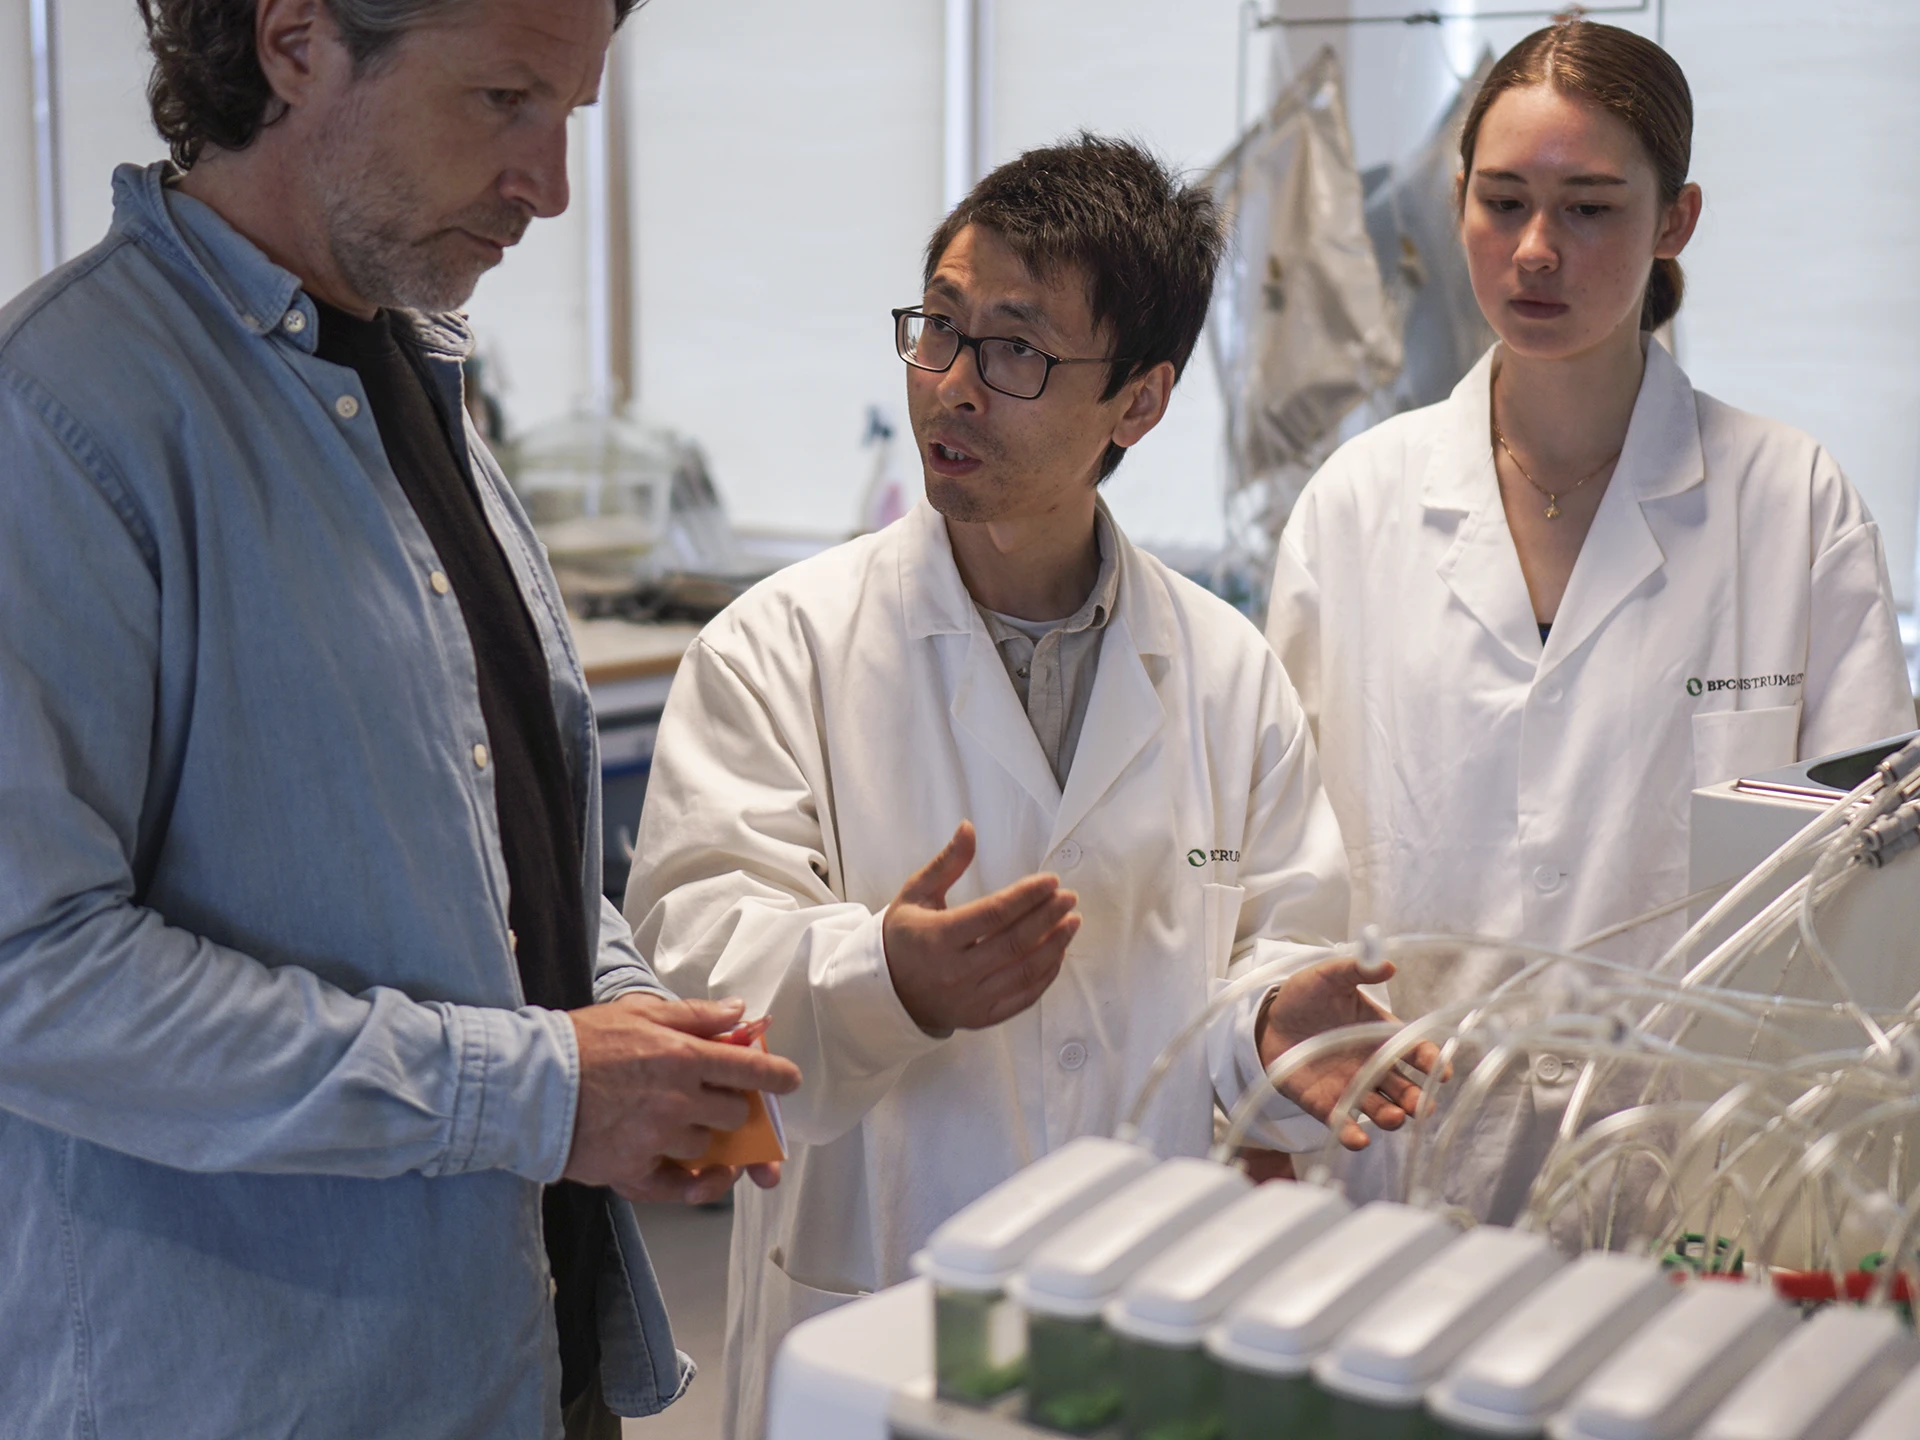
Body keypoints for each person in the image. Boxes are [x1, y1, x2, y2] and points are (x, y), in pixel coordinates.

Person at [0, 1, 800, 1436]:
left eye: (569, 114)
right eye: (503, 102)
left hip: (515, 1359)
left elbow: (504, 848)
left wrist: (623, 1025)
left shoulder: (408, 379)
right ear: (296, 44)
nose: (551, 185)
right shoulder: (59, 421)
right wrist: (536, 1093)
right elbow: (30, 977)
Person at [626, 135, 1436, 1440]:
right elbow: (700, 962)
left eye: (1015, 350)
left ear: (1141, 400)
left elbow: (1269, 948)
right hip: (877, 1299)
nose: (949, 385)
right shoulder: (778, 650)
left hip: (1153, 1313)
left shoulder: (1223, 671)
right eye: (936, 329)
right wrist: (888, 978)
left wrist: (1277, 1023)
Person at [1265, 20, 1914, 1218]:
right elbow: (1272, 859)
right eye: (1501, 201)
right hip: (1398, 1160)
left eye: (1592, 208)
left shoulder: (1790, 502)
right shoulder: (1357, 505)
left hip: (1700, 1168)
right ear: (1457, 201)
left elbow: (1874, 896)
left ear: (1677, 220)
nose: (1535, 251)